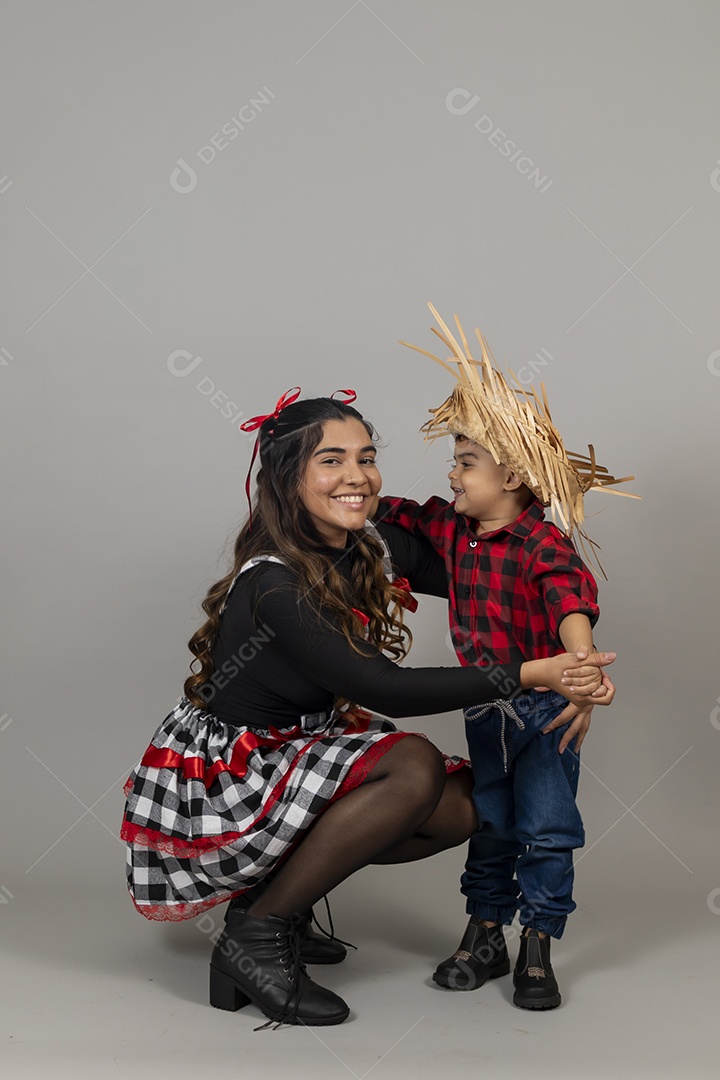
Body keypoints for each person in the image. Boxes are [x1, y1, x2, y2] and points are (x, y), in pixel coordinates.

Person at [120, 389, 616, 1029]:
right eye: (331, 460)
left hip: (300, 746)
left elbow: (505, 564)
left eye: (367, 456)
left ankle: (278, 906)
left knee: (468, 803)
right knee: (411, 765)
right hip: (233, 771)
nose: (356, 476)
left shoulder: (363, 542)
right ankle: (257, 932)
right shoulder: (276, 582)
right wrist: (528, 674)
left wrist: (581, 668)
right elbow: (387, 690)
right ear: (288, 476)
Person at [370, 304, 636, 1010]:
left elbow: (570, 602)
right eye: (454, 462)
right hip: (485, 707)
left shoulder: (542, 546)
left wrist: (581, 673)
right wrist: (353, 495)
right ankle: (484, 932)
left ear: (513, 475)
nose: (453, 474)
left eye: (465, 463)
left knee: (547, 827)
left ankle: (538, 944)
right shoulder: (454, 532)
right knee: (491, 822)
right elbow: (396, 511)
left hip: (547, 710)